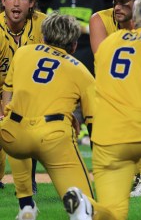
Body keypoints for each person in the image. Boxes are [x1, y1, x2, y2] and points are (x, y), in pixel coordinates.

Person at [64, 0, 141, 220]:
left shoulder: (110, 42)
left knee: (114, 213)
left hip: (105, 137)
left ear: (134, 20)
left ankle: (88, 207)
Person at [0, 13, 114, 220]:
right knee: (88, 204)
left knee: (15, 127)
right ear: (74, 44)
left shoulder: (23, 53)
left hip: (11, 135)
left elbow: (8, 92)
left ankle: (26, 205)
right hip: (52, 138)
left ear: (43, 37)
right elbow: (95, 124)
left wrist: (7, 115)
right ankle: (83, 208)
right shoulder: (80, 70)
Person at [88, 0, 141, 198]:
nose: (117, 7)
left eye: (123, 2)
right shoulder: (99, 19)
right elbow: (103, 61)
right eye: (115, 1)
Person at [0, 0, 46, 217]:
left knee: (33, 129)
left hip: (33, 93)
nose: (16, 3)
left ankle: (29, 180)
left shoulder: (44, 25)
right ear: (3, 2)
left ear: (31, 3)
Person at [46, 0, 105, 72]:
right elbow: (48, 21)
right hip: (61, 49)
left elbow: (101, 27)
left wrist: (81, 28)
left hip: (85, 48)